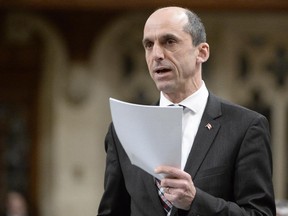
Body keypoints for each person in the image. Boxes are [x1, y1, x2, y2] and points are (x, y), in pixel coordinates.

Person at [97, 6, 276, 216]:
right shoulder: (124, 128)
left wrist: (196, 201)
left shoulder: (246, 127)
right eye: (148, 45)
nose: (156, 54)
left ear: (201, 52)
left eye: (169, 42)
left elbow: (260, 213)